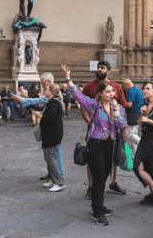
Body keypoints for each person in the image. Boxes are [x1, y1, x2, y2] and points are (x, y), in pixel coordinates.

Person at [62, 64, 126, 226]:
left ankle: (97, 205)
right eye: (108, 92)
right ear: (100, 94)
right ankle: (97, 212)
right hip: (95, 145)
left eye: (113, 91)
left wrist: (116, 113)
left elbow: (121, 125)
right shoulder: (93, 105)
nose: (112, 94)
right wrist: (68, 78)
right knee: (98, 178)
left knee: (103, 177)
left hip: (110, 146)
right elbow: (76, 95)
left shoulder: (117, 107)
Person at [81, 61, 128, 199]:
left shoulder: (117, 87)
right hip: (95, 129)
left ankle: (113, 182)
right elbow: (82, 106)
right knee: (91, 157)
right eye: (98, 67)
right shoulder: (90, 86)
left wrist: (124, 129)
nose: (99, 69)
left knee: (113, 156)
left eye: (102, 68)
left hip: (113, 128)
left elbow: (123, 106)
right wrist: (90, 121)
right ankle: (91, 186)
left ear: (108, 71)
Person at [39, 84, 66, 192]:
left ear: (50, 92)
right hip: (53, 133)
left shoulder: (54, 102)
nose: (45, 91)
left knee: (50, 157)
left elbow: (51, 117)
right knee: (52, 157)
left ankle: (59, 182)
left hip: (52, 134)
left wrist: (41, 116)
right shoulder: (54, 102)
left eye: (46, 89)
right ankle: (53, 179)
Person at [122, 79, 144, 154]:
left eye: (124, 86)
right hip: (137, 113)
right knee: (134, 133)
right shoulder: (138, 89)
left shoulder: (131, 91)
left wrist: (122, 103)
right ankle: (135, 156)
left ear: (127, 84)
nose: (125, 88)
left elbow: (129, 104)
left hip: (132, 114)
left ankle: (143, 144)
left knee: (130, 134)